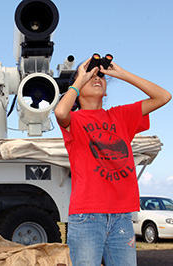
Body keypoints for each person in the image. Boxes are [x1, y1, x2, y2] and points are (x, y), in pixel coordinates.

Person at [54, 56, 171, 266]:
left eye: (101, 76)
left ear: (106, 91)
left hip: (122, 216)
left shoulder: (121, 116)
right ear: (78, 90)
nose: (97, 78)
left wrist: (122, 74)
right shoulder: (76, 121)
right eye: (91, 77)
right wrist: (80, 78)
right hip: (87, 216)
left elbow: (163, 96)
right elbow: (61, 111)